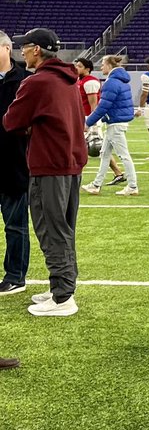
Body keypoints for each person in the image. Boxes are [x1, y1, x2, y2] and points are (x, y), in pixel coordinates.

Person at [3, 28, 88, 317]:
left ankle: (63, 298)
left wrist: (29, 126)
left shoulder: (37, 82)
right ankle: (61, 287)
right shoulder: (67, 79)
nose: (21, 52)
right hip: (70, 165)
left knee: (52, 231)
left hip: (49, 166)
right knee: (64, 229)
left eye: (24, 47)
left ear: (36, 49)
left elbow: (11, 121)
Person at [0, 31, 31, 296]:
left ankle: (15, 275)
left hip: (15, 163)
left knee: (15, 225)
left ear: (7, 48)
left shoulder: (26, 81)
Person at [83, 55, 140, 197]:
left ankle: (132, 186)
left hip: (115, 124)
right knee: (105, 154)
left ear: (109, 66)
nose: (101, 67)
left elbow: (103, 106)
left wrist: (88, 123)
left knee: (124, 155)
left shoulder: (111, 82)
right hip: (115, 122)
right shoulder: (121, 81)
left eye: (103, 64)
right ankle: (96, 184)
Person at [75, 57, 125, 183]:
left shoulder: (90, 82)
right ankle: (118, 173)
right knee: (101, 150)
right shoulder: (80, 80)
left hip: (89, 119)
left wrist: (93, 124)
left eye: (79, 66)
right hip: (83, 118)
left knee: (86, 148)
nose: (76, 68)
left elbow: (94, 105)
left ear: (87, 69)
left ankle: (75, 175)